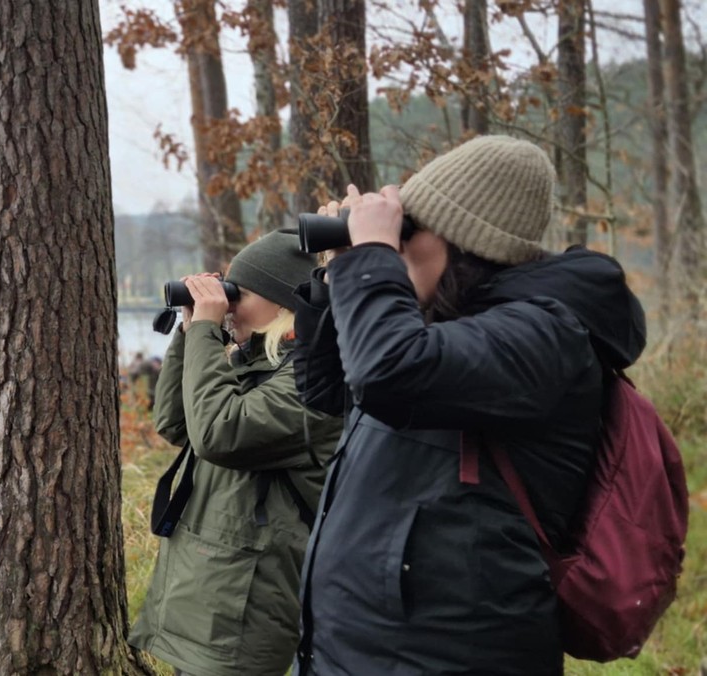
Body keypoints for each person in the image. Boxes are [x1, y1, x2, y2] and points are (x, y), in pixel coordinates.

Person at [291, 136, 646, 675]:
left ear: (462, 241)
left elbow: (387, 372)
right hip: (361, 649)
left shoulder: (543, 335)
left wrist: (372, 260)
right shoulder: (445, 323)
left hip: (452, 653)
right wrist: (337, 272)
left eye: (408, 231)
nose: (400, 247)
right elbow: (329, 389)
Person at [130, 233, 344, 676]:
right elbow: (176, 423)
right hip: (211, 591)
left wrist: (209, 330)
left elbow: (218, 433)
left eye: (239, 294)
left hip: (248, 603)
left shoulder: (312, 385)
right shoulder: (252, 366)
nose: (228, 304)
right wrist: (191, 331)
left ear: (283, 303)